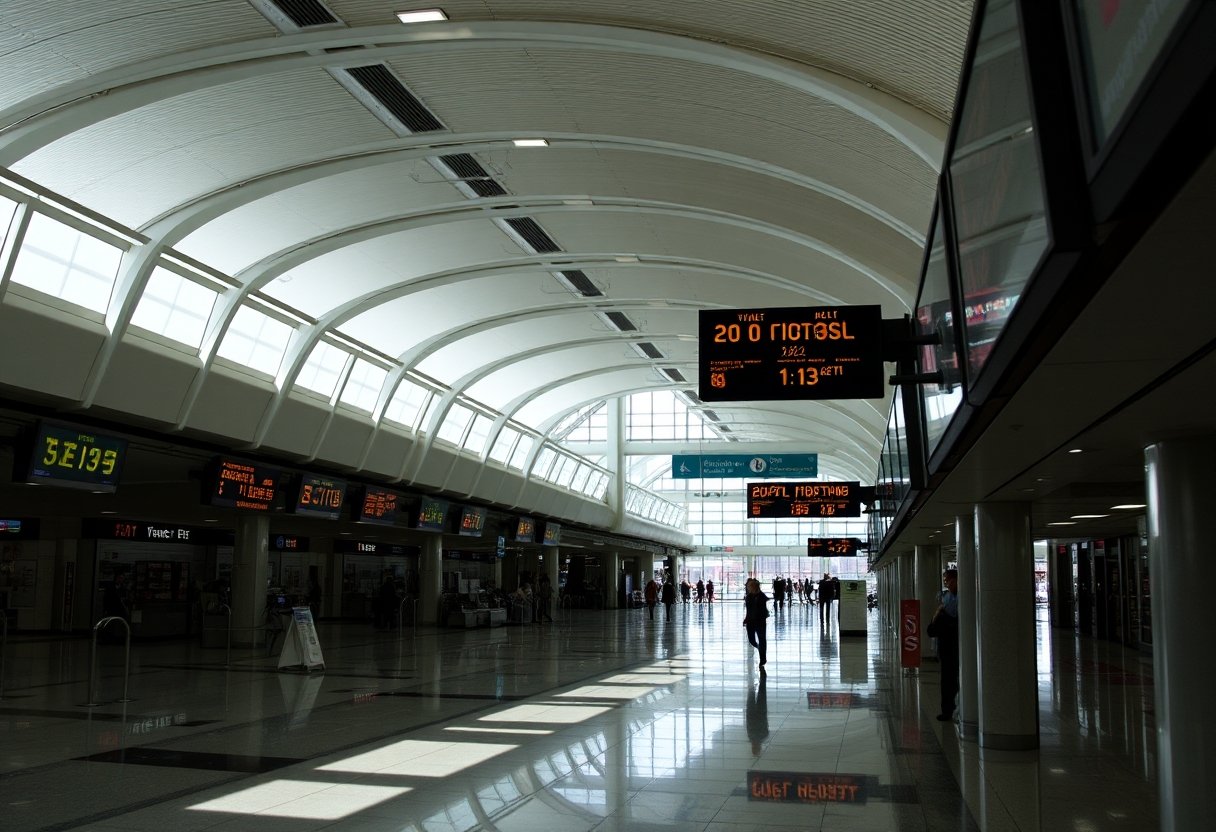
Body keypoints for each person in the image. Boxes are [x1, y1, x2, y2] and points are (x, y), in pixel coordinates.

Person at [931, 568, 960, 721]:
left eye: (948, 580)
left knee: (951, 679)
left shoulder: (958, 598)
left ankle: (952, 709)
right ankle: (948, 710)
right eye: (945, 581)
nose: (946, 584)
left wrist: (939, 614)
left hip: (954, 644)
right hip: (946, 645)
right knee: (948, 680)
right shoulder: (948, 597)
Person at [743, 578, 770, 669]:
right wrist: (746, 618)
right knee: (751, 640)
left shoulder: (762, 596)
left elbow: (764, 609)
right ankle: (759, 648)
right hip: (750, 621)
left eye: (749, 587)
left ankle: (763, 658)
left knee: (762, 639)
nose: (747, 588)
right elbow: (748, 610)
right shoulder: (748, 597)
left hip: (760, 621)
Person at [745, 672, 769, 755]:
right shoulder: (751, 737)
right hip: (752, 712)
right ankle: (752, 675)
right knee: (751, 692)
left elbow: (765, 723)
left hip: (760, 712)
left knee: (762, 690)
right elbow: (748, 724)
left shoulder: (764, 735)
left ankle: (762, 673)